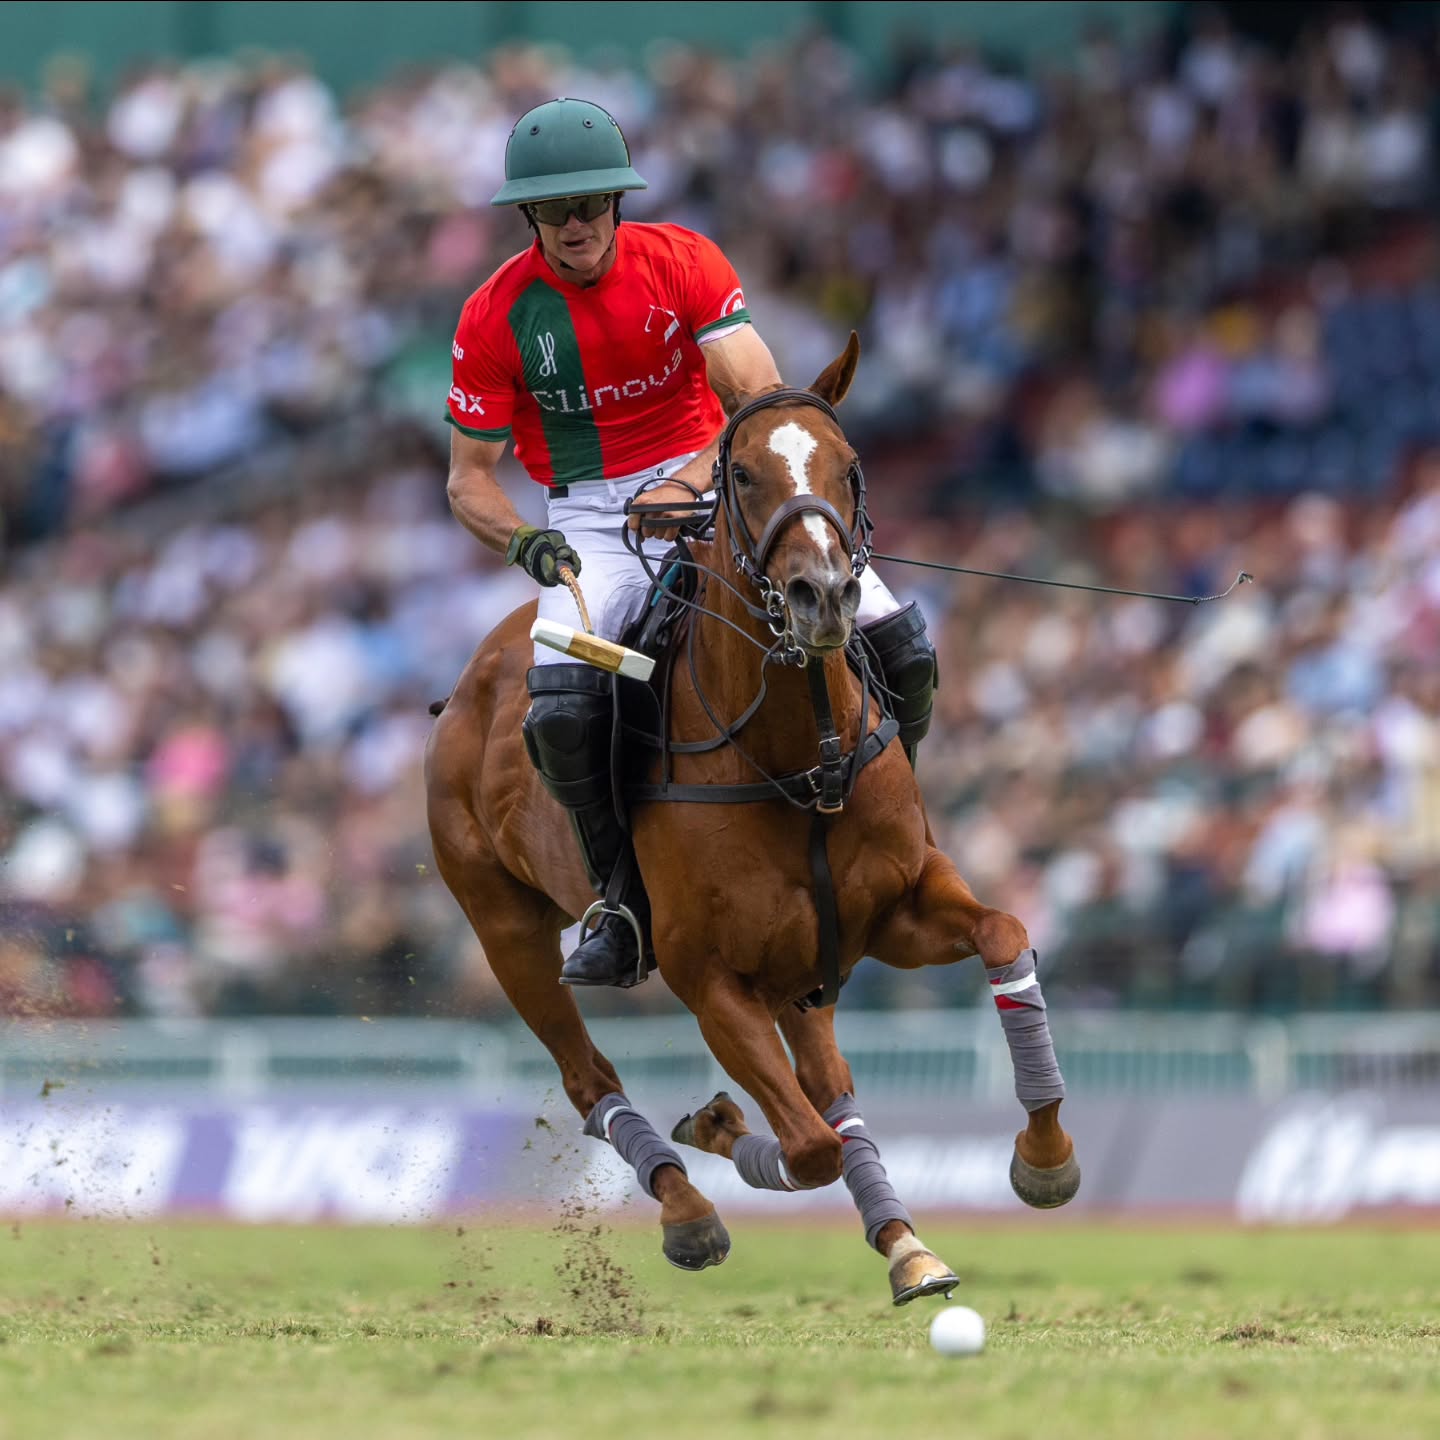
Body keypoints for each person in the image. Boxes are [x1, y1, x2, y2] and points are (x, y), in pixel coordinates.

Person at [444, 97, 938, 989]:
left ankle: (895, 829)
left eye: (590, 204)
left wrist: (696, 476)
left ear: (616, 205)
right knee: (561, 697)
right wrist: (526, 545)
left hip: (720, 478)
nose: (575, 223)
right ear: (529, 217)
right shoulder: (494, 316)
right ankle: (624, 904)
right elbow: (466, 481)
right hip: (590, 518)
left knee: (900, 643)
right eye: (554, 210)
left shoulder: (683, 262)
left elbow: (761, 394)